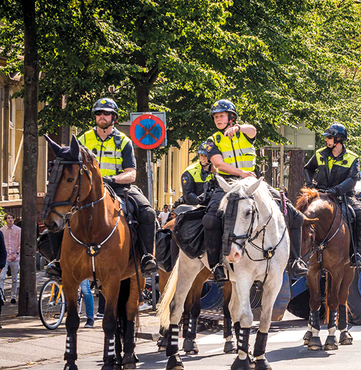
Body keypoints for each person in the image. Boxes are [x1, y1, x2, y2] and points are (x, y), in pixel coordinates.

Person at [45, 97, 158, 278]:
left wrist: (111, 179)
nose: (102, 116)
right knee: (58, 210)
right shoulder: (83, 139)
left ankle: (146, 257)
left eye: (106, 113)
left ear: (114, 117)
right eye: (98, 113)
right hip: (86, 190)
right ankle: (58, 260)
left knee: (147, 212)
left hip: (118, 187)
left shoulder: (124, 141)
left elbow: (131, 174)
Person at [202, 99, 307, 282]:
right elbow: (219, 164)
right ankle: (216, 265)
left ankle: (295, 260)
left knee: (295, 215)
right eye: (216, 117)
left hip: (252, 183)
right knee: (210, 220)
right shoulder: (212, 140)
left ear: (231, 117)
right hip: (228, 185)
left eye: (222, 116)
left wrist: (238, 128)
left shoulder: (244, 132)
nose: (218, 119)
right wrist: (241, 173)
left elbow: (253, 130)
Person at [303, 123, 361, 267]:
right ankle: (297, 254)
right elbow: (308, 169)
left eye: (329, 137)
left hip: (343, 196)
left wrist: (336, 190)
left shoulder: (352, 158)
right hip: (320, 194)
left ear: (338, 140)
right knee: (299, 213)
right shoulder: (319, 154)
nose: (326, 140)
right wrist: (310, 185)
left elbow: (352, 179)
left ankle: (356, 254)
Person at [181, 140, 215, 206]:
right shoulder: (190, 172)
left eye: (205, 156)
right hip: (196, 207)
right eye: (200, 155)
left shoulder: (218, 170)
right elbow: (188, 195)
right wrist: (201, 200)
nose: (202, 158)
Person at [0, 213, 21, 304]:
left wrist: (16, 254)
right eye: (8, 218)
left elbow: (20, 243)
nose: (10, 219)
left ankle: (13, 296)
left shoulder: (18, 230)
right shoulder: (2, 230)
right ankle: (1, 296)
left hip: (15, 257)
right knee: (1, 278)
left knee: (14, 278)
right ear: (5, 220)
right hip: (5, 257)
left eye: (12, 218)